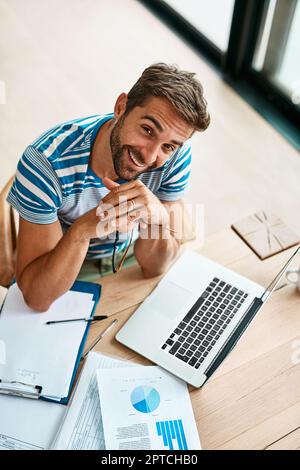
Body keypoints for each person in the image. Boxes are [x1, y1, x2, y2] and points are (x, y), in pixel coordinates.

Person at [7, 63, 210, 311]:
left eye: (168, 146)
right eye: (147, 130)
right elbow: (37, 298)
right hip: (67, 259)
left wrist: (157, 220)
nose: (149, 156)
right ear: (121, 107)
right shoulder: (45, 164)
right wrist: (83, 229)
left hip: (132, 255)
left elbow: (155, 267)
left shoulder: (175, 156)